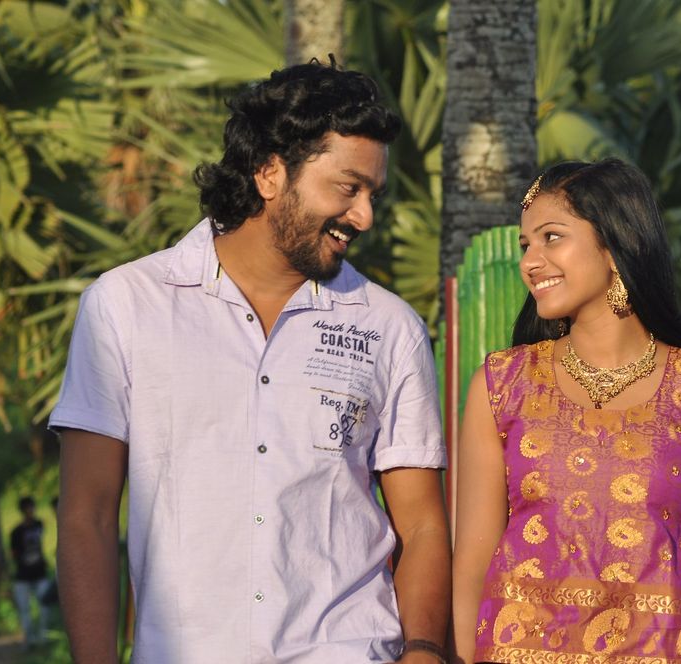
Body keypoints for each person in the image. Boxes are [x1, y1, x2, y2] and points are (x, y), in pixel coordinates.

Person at [50, 60, 450, 663]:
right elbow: (88, 515)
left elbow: (421, 526)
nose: (365, 216)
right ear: (269, 173)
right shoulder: (125, 306)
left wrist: (422, 649)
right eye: (348, 187)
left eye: (373, 194)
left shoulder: (390, 327)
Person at [451, 159, 681, 663]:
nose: (531, 262)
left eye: (551, 237)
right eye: (525, 245)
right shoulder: (502, 386)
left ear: (614, 244)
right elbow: (474, 562)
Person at [10, 496, 50, 647]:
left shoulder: (39, 525)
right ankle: (29, 639)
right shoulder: (16, 532)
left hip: (40, 573)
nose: (31, 511)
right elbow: (13, 554)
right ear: (22, 510)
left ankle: (43, 637)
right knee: (24, 610)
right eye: (28, 508)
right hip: (23, 576)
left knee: (44, 606)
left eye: (32, 507)